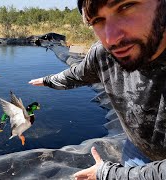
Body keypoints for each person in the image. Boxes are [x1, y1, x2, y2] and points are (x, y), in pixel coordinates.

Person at [29, 0, 166, 179]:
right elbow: (77, 75)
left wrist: (108, 173)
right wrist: (47, 81)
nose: (111, 38)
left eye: (126, 6)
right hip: (137, 149)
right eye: (96, 21)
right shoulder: (104, 55)